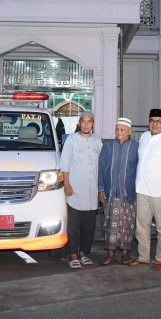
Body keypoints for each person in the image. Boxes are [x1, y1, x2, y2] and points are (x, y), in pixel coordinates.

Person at [130, 108, 161, 269]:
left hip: (160, 193)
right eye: (152, 121)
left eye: (158, 121)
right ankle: (143, 256)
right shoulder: (144, 137)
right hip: (142, 190)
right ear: (148, 122)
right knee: (141, 227)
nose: (155, 124)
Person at [60, 112, 102, 269]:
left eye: (89, 121)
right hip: (75, 191)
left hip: (92, 191)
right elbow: (64, 164)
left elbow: (101, 167)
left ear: (93, 123)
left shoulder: (98, 141)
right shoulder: (71, 139)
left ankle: (84, 253)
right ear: (79, 123)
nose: (86, 124)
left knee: (89, 227)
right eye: (83, 121)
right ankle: (73, 255)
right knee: (73, 227)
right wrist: (67, 184)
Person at [97, 117, 139, 266]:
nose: (119, 132)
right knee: (110, 224)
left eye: (122, 129)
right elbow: (101, 169)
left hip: (128, 194)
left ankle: (126, 255)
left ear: (129, 132)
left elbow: (140, 170)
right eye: (117, 129)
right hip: (110, 193)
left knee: (127, 225)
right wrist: (101, 189)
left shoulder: (136, 147)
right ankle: (111, 255)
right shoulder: (108, 146)